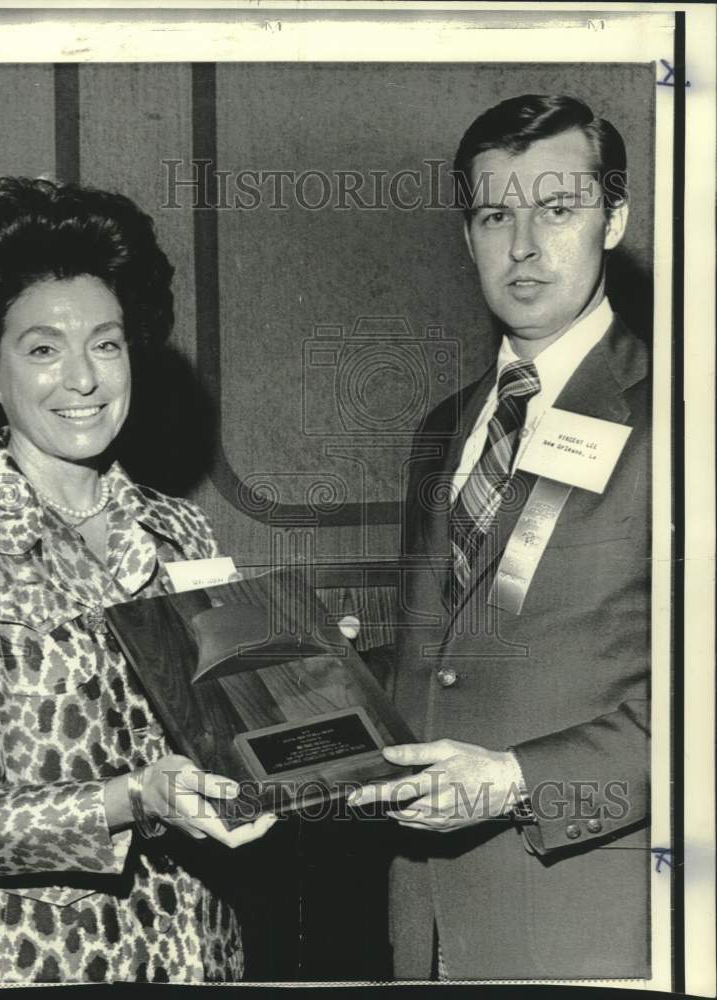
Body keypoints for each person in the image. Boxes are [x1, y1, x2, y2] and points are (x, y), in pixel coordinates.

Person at [0, 177, 278, 983]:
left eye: (106, 344)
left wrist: (304, 682)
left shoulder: (181, 528)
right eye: (43, 349)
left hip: (197, 951)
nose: (83, 378)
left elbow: (227, 740)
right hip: (33, 963)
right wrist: (132, 798)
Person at [349, 95, 650, 980]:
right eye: (494, 215)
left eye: (557, 209)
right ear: (466, 235)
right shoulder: (443, 430)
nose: (523, 246)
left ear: (614, 219)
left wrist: (518, 777)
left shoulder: (683, 416)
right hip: (426, 926)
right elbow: (444, 664)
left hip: (591, 921)